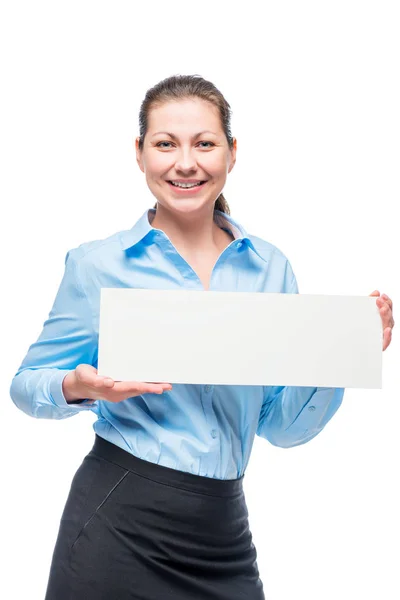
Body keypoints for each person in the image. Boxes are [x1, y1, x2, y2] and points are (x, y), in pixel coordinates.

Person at [10, 74, 394, 600]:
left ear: (232, 154)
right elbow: (26, 385)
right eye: (165, 144)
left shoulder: (270, 270)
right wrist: (83, 387)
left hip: (223, 532)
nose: (185, 163)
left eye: (205, 144)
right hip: (117, 522)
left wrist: (342, 354)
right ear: (140, 153)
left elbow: (281, 429)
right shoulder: (97, 265)